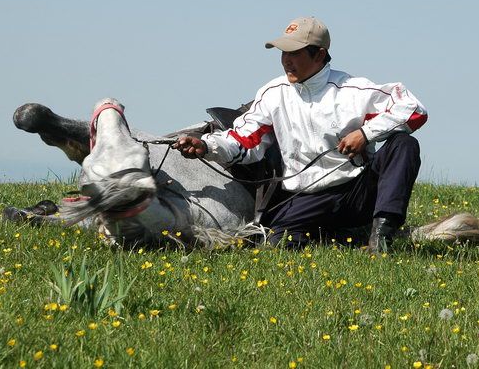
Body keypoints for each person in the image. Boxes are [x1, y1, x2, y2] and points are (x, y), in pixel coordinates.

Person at [173, 17, 428, 252]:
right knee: (277, 243)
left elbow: (414, 109)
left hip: (357, 192)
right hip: (306, 197)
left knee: (404, 144)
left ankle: (382, 235)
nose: (286, 60)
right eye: (284, 52)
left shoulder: (353, 90)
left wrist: (364, 133)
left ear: (319, 54)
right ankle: (344, 238)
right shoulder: (273, 93)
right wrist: (206, 146)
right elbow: (243, 140)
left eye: (294, 53)